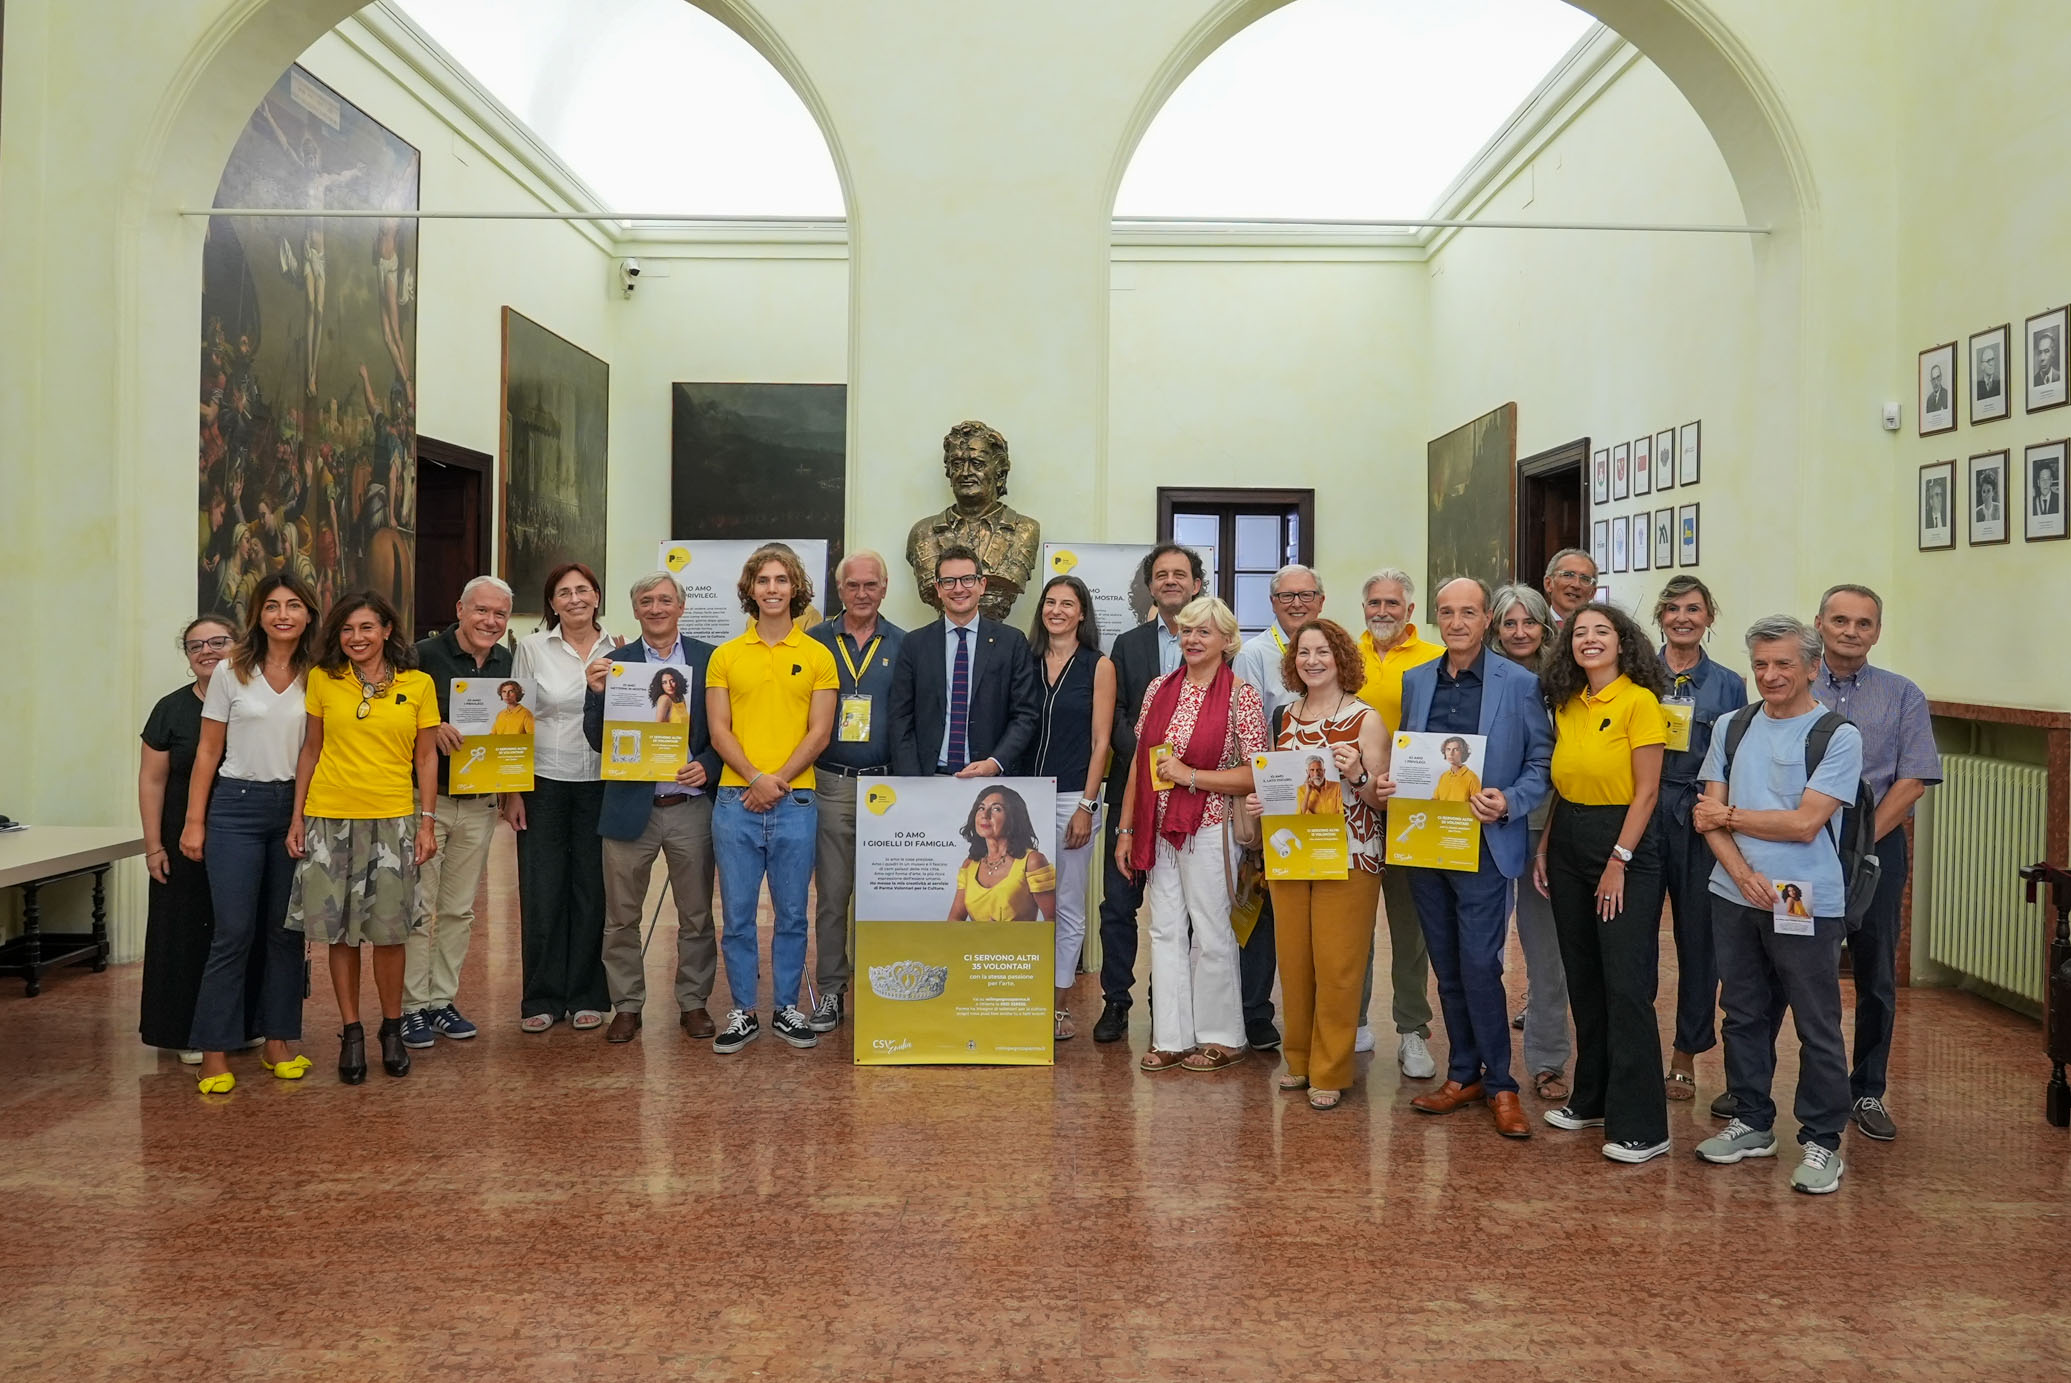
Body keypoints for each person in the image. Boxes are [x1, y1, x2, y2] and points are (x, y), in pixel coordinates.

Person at [1692, 615, 1864, 1195]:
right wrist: (1742, 875)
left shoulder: (1837, 735)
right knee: (1742, 1011)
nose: (1770, 675)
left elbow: (1805, 823)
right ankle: (1752, 1121)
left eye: (1783, 664)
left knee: (1816, 1020)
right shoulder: (1731, 726)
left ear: (1812, 667)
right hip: (1734, 892)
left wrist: (1730, 817)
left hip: (1801, 897)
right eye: (1760, 664)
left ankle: (1822, 1140)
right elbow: (1705, 818)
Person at [1392, 578, 1554, 1140]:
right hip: (1425, 842)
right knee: (1446, 963)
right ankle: (1464, 1074)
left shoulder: (1521, 683)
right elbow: (1411, 756)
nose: (1457, 622)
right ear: (1435, 619)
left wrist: (1509, 800)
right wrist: (1392, 782)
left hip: (1485, 844)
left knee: (1481, 964)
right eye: (1447, 612)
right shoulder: (1417, 680)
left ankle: (1502, 1084)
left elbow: (1542, 763)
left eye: (1468, 612)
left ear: (1487, 619)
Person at [1535, 602, 1672, 1162]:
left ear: (1622, 642)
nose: (1589, 640)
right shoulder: (1567, 702)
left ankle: (1644, 1125)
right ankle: (1591, 1097)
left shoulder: (1640, 702)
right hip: (1569, 836)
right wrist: (1546, 846)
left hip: (1623, 843)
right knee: (1584, 977)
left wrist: (1619, 859)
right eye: (1579, 633)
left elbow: (1648, 791)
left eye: (1601, 632)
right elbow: (1565, 782)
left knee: (1626, 984)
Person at [287, 591, 440, 1084]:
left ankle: (391, 1030)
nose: (357, 638)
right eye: (348, 629)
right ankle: (351, 1032)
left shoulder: (418, 684)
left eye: (367, 627)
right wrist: (297, 819)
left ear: (387, 631)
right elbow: (311, 750)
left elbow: (426, 757)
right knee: (339, 933)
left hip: (392, 819)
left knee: (390, 933)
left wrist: (427, 821)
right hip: (329, 817)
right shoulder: (323, 679)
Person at [1812, 583, 1941, 1141]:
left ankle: (1867, 1090)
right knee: (1791, 966)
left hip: (1877, 849)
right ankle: (1773, 1089)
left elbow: (1912, 779)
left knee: (1876, 972)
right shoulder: (1793, 683)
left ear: (1877, 632)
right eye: (1840, 620)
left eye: (1863, 623)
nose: (1851, 631)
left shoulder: (1902, 694)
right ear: (1819, 624)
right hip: (1802, 843)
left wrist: (1861, 841)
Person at [180, 576, 320, 1091]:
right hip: (235, 808)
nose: (283, 614)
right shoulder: (231, 671)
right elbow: (207, 751)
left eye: (293, 605)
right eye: (272, 606)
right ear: (257, 614)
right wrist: (194, 821)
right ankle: (215, 1049)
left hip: (296, 808)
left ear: (308, 615)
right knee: (233, 932)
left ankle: (278, 1041)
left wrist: (304, 815)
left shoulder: (320, 673)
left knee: (286, 932)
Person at [1117, 596, 1268, 1073]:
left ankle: (1223, 1036)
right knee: (1163, 930)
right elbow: (1140, 765)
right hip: (1158, 828)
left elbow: (1256, 774)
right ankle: (1171, 1038)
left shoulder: (1242, 696)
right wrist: (1125, 829)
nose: (1193, 639)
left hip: (1210, 827)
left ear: (1227, 640)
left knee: (1211, 931)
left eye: (1204, 631)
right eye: (1186, 631)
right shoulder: (1158, 689)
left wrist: (1191, 776)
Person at [1243, 618, 1384, 1110]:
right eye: (1303, 652)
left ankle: (1331, 1068)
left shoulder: (1366, 719)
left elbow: (1381, 798)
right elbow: (1281, 784)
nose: (1312, 660)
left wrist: (1358, 772)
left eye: (1323, 651)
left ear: (1340, 657)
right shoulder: (1284, 716)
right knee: (1295, 962)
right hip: (1292, 855)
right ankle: (1299, 1060)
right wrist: (1262, 801)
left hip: (1350, 857)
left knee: (1338, 965)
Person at [705, 544, 839, 1054]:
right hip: (734, 801)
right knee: (737, 916)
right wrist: (754, 778)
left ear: (795, 588)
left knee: (793, 916)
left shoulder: (818, 655)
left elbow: (820, 732)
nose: (773, 589)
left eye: (782, 580)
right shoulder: (725, 656)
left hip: (796, 801)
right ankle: (743, 1011)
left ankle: (786, 1008)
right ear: (750, 589)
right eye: (763, 580)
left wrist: (776, 780)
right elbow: (719, 730)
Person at [583, 572, 723, 1045]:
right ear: (635, 609)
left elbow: (729, 728)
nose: (656, 608)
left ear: (681, 607)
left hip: (690, 806)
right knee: (621, 916)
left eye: (665, 600)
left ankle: (693, 1002)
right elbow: (596, 740)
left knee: (696, 915)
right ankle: (626, 1005)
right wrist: (597, 695)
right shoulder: (615, 665)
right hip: (629, 807)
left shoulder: (710, 659)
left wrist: (708, 765)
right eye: (647, 601)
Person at [1093, 543, 1203, 1044]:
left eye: (1180, 574)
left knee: (1184, 908)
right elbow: (1116, 712)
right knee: (1119, 905)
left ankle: (1170, 1002)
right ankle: (1116, 1000)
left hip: (1193, 794)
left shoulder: (1212, 641)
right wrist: (1146, 755)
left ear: (1196, 584)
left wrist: (1183, 764)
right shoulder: (1128, 644)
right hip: (1132, 794)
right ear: (1151, 586)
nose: (1170, 581)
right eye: (1161, 575)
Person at [401, 575, 514, 1050]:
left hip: (480, 804)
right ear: (460, 610)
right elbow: (393, 718)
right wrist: (432, 727)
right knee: (418, 908)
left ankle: (441, 1001)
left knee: (458, 910)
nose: (490, 621)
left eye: (500, 614)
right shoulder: (420, 656)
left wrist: (513, 790)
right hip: (427, 803)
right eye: (481, 610)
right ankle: (410, 1007)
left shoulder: (508, 662)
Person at [1652, 575, 1749, 1107]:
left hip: (1700, 816)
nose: (1682, 618)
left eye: (1693, 609)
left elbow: (1736, 758)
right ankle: (1635, 1048)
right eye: (1672, 609)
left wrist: (1720, 817)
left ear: (1709, 616)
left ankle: (1684, 1055)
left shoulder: (1730, 684)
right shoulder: (1638, 675)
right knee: (1634, 938)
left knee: (1698, 941)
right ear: (1660, 617)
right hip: (1645, 812)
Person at [508, 561, 615, 1034]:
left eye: (583, 590)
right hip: (543, 782)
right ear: (551, 603)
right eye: (564, 592)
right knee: (542, 890)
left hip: (601, 783)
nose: (575, 599)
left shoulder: (620, 649)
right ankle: (542, 996)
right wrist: (513, 791)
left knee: (593, 890)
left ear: (597, 597)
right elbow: (516, 721)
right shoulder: (532, 648)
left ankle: (588, 993)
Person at [1229, 562, 1328, 1049]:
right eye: (1286, 596)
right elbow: (1245, 733)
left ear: (1321, 601)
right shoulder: (1252, 655)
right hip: (1271, 801)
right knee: (1264, 910)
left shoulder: (1334, 648)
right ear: (1272, 603)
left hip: (1326, 803)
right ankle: (1255, 1012)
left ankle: (1321, 1019)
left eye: (1305, 595)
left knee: (1321, 914)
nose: (1296, 603)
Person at [808, 550, 906, 1034]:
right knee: (833, 895)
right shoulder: (815, 643)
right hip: (832, 782)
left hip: (889, 788)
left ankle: (881, 990)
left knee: (883, 896)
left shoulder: (905, 644)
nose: (862, 593)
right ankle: (832, 990)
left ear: (884, 588)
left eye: (871, 585)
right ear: (840, 589)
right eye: (853, 585)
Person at [1352, 568, 1441, 1077]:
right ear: (1364, 608)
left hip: (1412, 812)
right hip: (1355, 810)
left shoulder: (1434, 658)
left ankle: (1412, 1030)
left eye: (1392, 603)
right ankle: (1354, 1022)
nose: (1382, 611)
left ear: (1409, 610)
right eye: (1374, 603)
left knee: (1411, 929)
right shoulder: (1346, 656)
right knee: (1354, 924)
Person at [1020, 572, 1114, 1039]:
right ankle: (1015, 998)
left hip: (1070, 798)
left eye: (1067, 604)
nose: (1056, 611)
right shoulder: (1025, 659)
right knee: (1020, 903)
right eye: (1050, 602)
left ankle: (1056, 1006)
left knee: (1068, 905)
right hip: (1021, 796)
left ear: (1082, 614)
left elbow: (1101, 743)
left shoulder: (1099, 666)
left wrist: (1086, 806)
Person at [138, 617, 233, 1075]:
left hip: (243, 831)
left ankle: (238, 1026)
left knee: (235, 931)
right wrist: (153, 846)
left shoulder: (253, 702)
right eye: (196, 646)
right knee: (184, 934)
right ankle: (186, 1031)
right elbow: (151, 780)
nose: (207, 651)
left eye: (218, 642)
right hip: (182, 838)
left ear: (238, 647)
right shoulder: (170, 709)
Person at [1487, 582, 1571, 1100]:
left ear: (1545, 626)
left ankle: (1547, 1058)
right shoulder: (1480, 674)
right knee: (1482, 949)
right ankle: (1482, 1055)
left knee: (1546, 953)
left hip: (1544, 825)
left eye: (1529, 622)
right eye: (1509, 623)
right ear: (1495, 627)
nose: (1520, 632)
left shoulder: (1565, 679)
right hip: (1489, 823)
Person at [887, 545, 1040, 779]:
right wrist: (913, 779)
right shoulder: (915, 644)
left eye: (967, 579)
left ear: (982, 585)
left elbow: (1025, 714)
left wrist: (995, 763)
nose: (958, 589)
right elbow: (900, 717)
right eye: (948, 581)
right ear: (938, 589)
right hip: (928, 778)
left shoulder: (1011, 642)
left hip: (989, 778)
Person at [947, 785, 1056, 922]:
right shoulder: (969, 864)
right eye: (981, 808)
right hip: (976, 937)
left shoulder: (1032, 861)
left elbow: (1052, 920)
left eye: (996, 809)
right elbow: (954, 920)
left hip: (1019, 937)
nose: (985, 815)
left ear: (1013, 817)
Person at [1542, 548, 1599, 625]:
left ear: (1592, 592)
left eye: (1585, 579)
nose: (1576, 585)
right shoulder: (1534, 627)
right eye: (1568, 575)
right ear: (1548, 584)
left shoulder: (1601, 630)